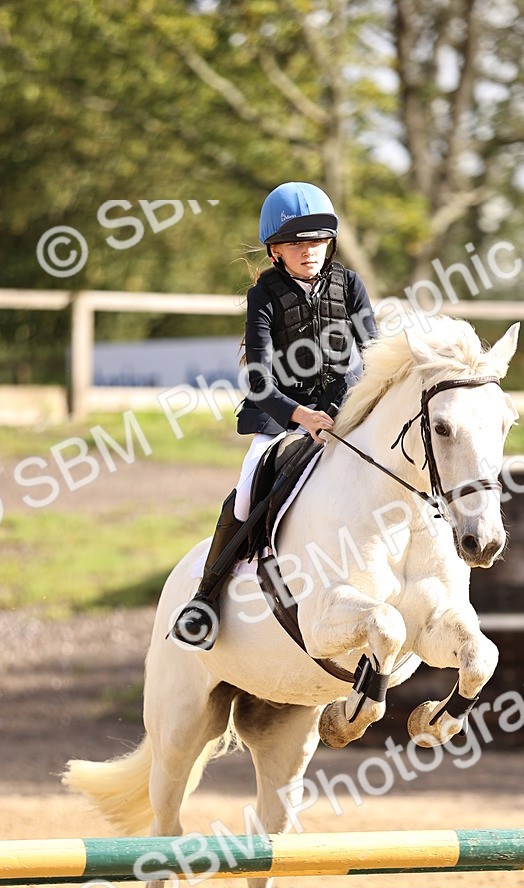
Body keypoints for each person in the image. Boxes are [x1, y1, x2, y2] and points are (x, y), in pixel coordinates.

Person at [170, 181, 378, 649]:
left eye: (318, 240)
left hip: (344, 408)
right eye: (296, 242)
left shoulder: (349, 284)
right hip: (283, 412)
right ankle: (204, 599)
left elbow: (376, 352)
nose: (310, 251)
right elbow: (259, 382)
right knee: (246, 491)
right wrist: (300, 415)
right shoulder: (264, 295)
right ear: (275, 250)